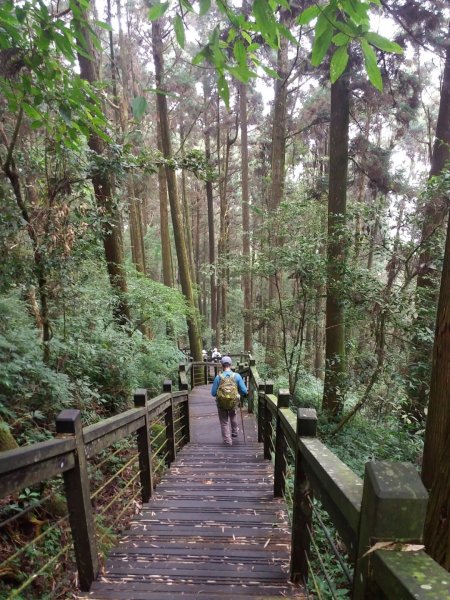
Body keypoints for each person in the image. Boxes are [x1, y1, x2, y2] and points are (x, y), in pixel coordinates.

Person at [211, 356, 247, 446]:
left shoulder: (218, 377)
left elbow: (213, 393)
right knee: (233, 415)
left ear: (222, 365)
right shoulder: (237, 376)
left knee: (224, 422)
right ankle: (234, 432)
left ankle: (227, 441)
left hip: (221, 404)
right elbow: (244, 391)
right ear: (230, 365)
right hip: (233, 403)